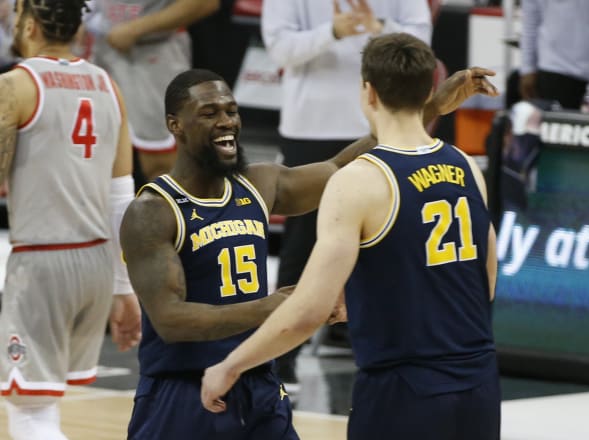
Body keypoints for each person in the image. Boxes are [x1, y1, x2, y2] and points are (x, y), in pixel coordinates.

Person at [120, 64, 497, 438]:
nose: (226, 122)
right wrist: (274, 306)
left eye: (231, 111)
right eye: (209, 113)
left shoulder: (259, 182)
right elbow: (170, 319)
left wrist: (425, 110)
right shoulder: (153, 210)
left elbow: (340, 166)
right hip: (181, 392)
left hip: (257, 384)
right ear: (175, 125)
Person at [261, 0, 433, 389]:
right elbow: (278, 48)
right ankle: (282, 357)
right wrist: (332, 32)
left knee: (383, 238)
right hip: (310, 125)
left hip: (380, 122)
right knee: (301, 246)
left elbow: (422, 46)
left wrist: (379, 29)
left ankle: (377, 349)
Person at [0, 1, 141, 439]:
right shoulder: (107, 85)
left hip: (42, 263)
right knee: (42, 402)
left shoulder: (15, 86)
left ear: (30, 22)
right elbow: (123, 197)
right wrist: (124, 287)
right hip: (96, 264)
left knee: (30, 412)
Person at [85, 0, 220, 186]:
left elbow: (205, 3)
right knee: (91, 154)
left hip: (153, 52)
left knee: (160, 164)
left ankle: (177, 213)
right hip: (98, 50)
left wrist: (136, 29)